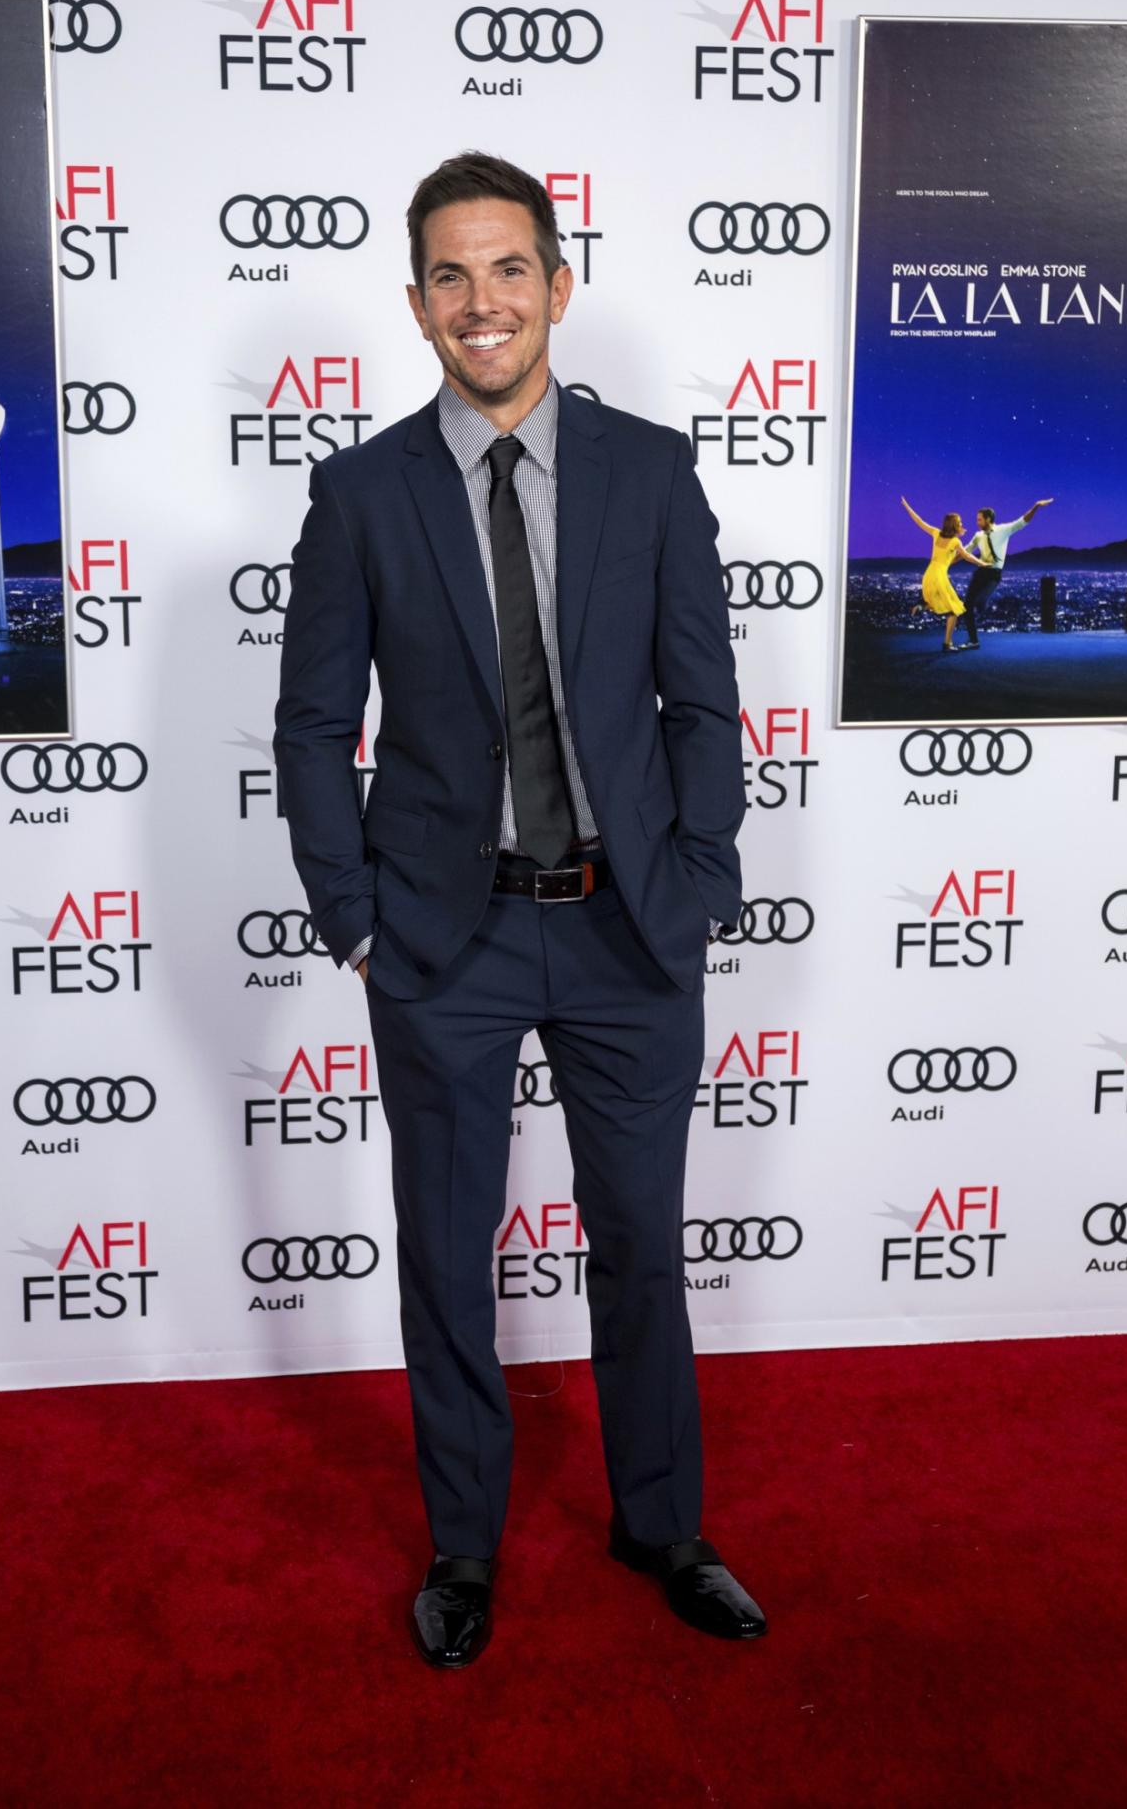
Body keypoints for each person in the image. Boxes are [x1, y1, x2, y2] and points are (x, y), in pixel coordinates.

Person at [273, 152, 765, 1669]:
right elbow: (309, 726)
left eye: (505, 269)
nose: (479, 303)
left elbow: (700, 700)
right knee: (443, 1250)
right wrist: (354, 915)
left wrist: (696, 879)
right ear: (415, 304)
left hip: (628, 929)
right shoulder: (359, 494)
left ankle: (661, 1521)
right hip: (442, 938)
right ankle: (465, 1542)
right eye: (447, 274)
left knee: (639, 1241)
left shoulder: (654, 471)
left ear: (558, 283)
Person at [959, 499, 1054, 647]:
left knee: (979, 603)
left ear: (988, 519)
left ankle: (981, 608)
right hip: (980, 571)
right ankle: (973, 640)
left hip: (994, 574)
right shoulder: (978, 536)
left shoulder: (1003, 530)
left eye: (979, 519)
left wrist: (1035, 506)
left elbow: (1022, 521)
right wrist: (947, 561)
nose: (977, 522)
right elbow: (965, 552)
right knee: (967, 605)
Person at [900, 500, 987, 652]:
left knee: (938, 602)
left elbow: (919, 521)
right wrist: (982, 564)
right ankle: (947, 644)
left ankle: (921, 606)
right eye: (959, 522)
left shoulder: (935, 533)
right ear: (954, 525)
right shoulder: (955, 541)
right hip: (940, 575)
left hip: (928, 574)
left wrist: (907, 507)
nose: (961, 524)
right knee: (954, 610)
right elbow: (967, 556)